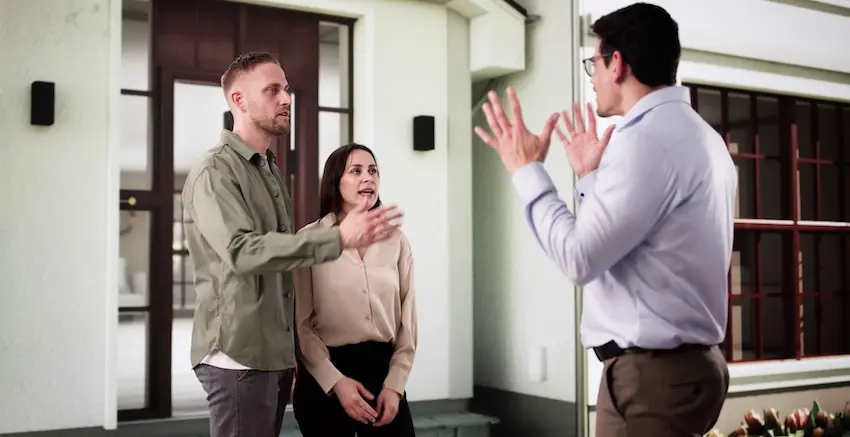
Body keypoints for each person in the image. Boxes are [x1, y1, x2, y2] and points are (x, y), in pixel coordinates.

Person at [473, 3, 736, 436]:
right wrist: (592, 180)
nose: (591, 76)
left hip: (654, 378)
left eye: (592, 62)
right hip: (658, 372)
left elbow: (580, 258)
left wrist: (526, 171)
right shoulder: (696, 134)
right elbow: (638, 245)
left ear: (617, 64)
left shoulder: (646, 142)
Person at [181, 52, 402, 437]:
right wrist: (337, 238)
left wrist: (292, 354)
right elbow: (242, 251)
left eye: (286, 89)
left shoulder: (268, 170)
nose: (286, 99)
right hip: (239, 358)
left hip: (273, 357)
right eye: (272, 90)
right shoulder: (215, 172)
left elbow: (282, 272)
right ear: (238, 100)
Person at [292, 144, 418, 437]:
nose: (368, 178)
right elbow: (302, 325)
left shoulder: (396, 241)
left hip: (383, 377)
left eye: (373, 171)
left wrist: (395, 385)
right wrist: (334, 382)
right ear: (337, 181)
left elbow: (408, 324)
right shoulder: (311, 240)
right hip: (325, 377)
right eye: (356, 171)